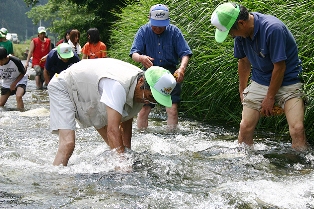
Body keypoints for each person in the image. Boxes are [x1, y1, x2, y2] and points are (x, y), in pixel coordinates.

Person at [210, 2, 308, 150]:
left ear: (241, 23)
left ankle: (300, 168)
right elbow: (243, 61)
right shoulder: (241, 36)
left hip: (288, 80)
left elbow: (280, 67)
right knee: (245, 127)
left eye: (231, 33)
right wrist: (242, 89)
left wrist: (269, 98)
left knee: (297, 129)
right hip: (260, 80)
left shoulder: (272, 29)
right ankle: (245, 166)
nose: (231, 36)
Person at [48, 58, 176, 166]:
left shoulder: (140, 91)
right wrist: (123, 169)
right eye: (150, 96)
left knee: (121, 152)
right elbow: (112, 130)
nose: (149, 102)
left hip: (91, 93)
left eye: (155, 100)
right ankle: (56, 183)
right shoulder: (117, 86)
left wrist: (127, 158)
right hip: (65, 86)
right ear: (141, 81)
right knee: (68, 144)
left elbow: (126, 124)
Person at [129, 4, 192, 130]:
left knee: (172, 109)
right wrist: (141, 58)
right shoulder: (143, 31)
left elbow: (185, 53)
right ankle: (142, 137)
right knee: (144, 109)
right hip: (149, 73)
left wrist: (182, 68)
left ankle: (172, 139)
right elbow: (134, 53)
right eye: (155, 24)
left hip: (170, 74)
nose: (158, 28)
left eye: (161, 25)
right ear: (149, 18)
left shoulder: (174, 32)